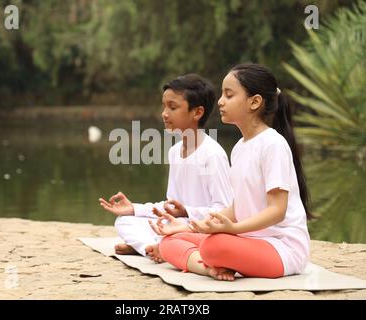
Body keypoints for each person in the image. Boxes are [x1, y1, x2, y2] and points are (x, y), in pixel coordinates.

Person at [150, 63, 312, 281]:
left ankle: (208, 260)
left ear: (254, 102)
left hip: (281, 248)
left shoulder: (273, 144)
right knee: (171, 240)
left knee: (214, 245)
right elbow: (238, 207)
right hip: (248, 241)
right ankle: (208, 268)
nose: (220, 101)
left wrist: (233, 229)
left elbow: (277, 210)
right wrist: (194, 225)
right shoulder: (239, 148)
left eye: (229, 95)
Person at [99, 73, 233, 261]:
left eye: (173, 107)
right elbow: (170, 205)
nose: (164, 114)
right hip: (178, 224)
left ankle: (158, 246)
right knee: (124, 221)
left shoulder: (212, 154)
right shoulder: (175, 151)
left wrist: (187, 212)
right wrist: (134, 209)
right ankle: (151, 247)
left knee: (179, 234)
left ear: (197, 112)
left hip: (202, 228)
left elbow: (224, 209)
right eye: (164, 106)